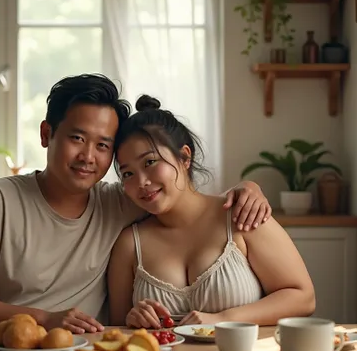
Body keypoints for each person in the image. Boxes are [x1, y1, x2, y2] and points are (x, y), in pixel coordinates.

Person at [0, 74, 272, 334]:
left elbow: (178, 192)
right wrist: (43, 319)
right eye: (77, 138)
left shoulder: (120, 200)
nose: (88, 156)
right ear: (45, 134)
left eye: (102, 145)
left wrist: (248, 187)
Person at [108, 95, 315, 329]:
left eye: (149, 162)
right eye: (127, 174)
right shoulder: (128, 244)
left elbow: (303, 297)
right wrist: (133, 318)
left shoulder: (242, 214)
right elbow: (117, 326)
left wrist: (224, 319)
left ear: (185, 157)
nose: (141, 182)